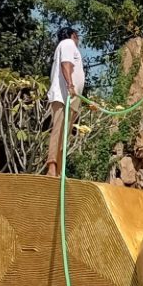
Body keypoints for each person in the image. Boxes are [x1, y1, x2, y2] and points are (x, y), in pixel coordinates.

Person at [45, 26, 85, 176]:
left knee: (64, 134)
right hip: (64, 95)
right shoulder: (68, 43)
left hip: (72, 97)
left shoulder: (65, 46)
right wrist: (70, 85)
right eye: (77, 36)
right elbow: (66, 64)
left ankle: (59, 170)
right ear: (73, 35)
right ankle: (52, 165)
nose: (78, 39)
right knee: (59, 129)